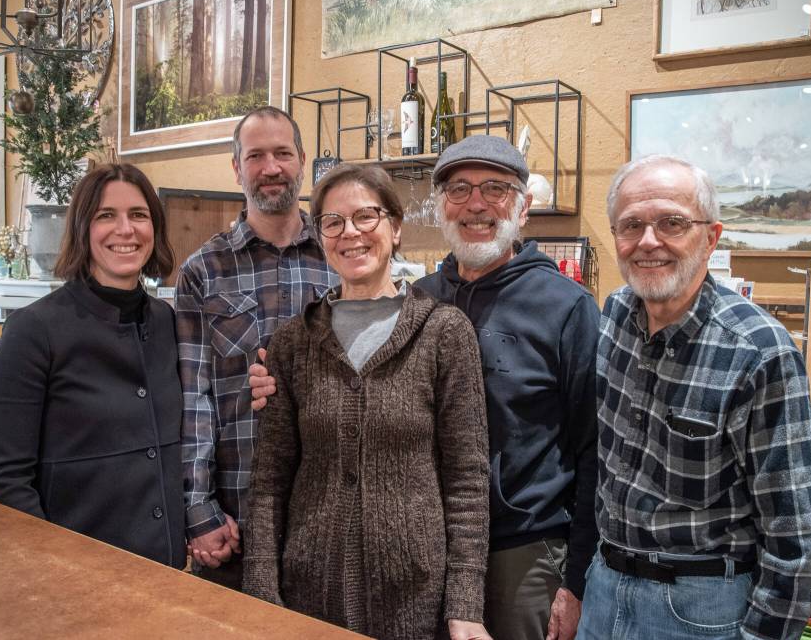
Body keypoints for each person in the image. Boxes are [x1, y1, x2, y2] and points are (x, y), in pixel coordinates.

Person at [251, 135, 600, 640]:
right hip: (361, 575)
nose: (475, 203)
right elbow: (272, 477)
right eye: (459, 189)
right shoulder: (409, 303)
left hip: (518, 553)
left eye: (494, 189)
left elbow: (586, 452)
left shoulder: (555, 309)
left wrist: (574, 579)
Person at [243, 164, 491, 640]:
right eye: (333, 222)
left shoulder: (444, 334)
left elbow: (467, 481)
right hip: (307, 596)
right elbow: (270, 480)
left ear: (395, 227)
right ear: (320, 237)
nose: (349, 233)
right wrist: (261, 590)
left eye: (365, 217)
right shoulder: (293, 343)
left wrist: (465, 604)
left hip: (416, 602)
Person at [579, 155, 811, 640]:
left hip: (700, 607)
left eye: (672, 222)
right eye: (631, 226)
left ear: (711, 237)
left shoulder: (758, 352)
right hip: (603, 587)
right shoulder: (614, 316)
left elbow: (794, 542)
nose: (648, 242)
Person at [0, 163, 184, 567]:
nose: (125, 230)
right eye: (105, 216)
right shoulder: (33, 330)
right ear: (81, 228)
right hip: (76, 575)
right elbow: (7, 483)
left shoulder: (167, 321)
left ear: (155, 228)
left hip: (168, 573)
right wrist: (56, 568)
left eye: (139, 215)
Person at [176, 106, 337, 589]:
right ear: (236, 167)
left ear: (302, 161)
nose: (271, 168)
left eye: (283, 153)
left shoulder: (341, 258)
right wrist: (198, 506)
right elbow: (194, 401)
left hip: (330, 512)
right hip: (236, 519)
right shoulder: (203, 271)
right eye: (256, 156)